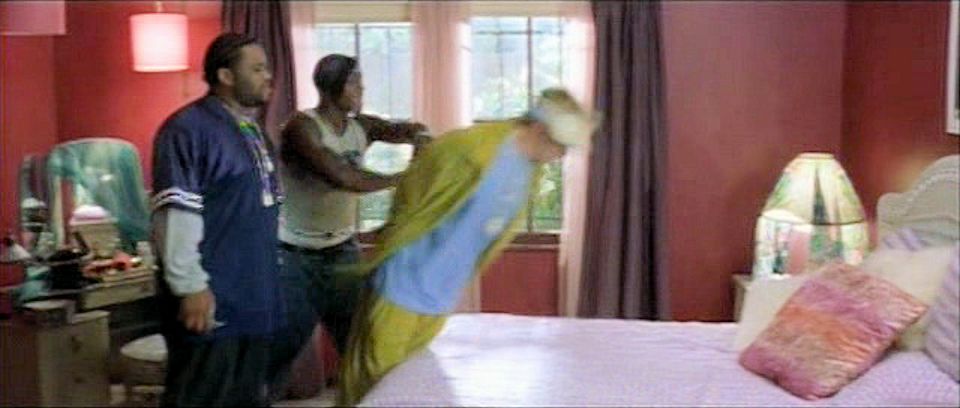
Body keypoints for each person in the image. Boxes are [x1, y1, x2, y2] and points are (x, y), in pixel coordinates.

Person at [336, 88, 599, 405]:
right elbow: (414, 185)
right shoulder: (471, 148)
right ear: (541, 130)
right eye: (562, 146)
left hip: (439, 297)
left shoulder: (529, 170)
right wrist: (396, 240)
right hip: (403, 286)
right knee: (374, 390)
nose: (563, 155)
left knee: (410, 391)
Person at [268, 53, 431, 398]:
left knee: (359, 346)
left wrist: (420, 135)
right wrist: (406, 179)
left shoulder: (361, 127)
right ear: (333, 87)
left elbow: (404, 129)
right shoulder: (302, 128)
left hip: (342, 252)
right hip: (295, 257)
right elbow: (343, 177)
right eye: (355, 82)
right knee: (280, 348)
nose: (362, 89)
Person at [151, 33, 284, 407]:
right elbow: (176, 214)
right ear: (225, 75)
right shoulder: (188, 129)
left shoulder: (252, 130)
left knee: (247, 397)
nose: (268, 76)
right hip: (212, 298)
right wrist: (190, 285)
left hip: (254, 295)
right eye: (257, 69)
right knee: (202, 396)